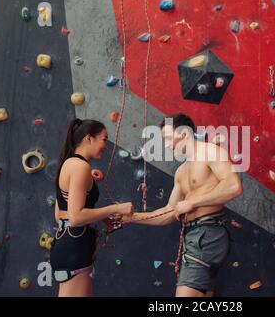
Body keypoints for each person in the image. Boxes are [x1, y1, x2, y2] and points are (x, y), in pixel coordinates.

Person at [132, 113, 243, 297]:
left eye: (168, 138)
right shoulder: (180, 172)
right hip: (196, 237)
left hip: (207, 235)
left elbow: (234, 186)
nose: (167, 145)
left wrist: (192, 202)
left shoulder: (210, 151)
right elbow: (169, 211)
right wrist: (132, 218)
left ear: (184, 134)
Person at [50, 118, 133, 297]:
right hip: (75, 247)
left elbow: (60, 215)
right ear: (89, 138)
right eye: (104, 139)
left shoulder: (68, 164)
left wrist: (101, 217)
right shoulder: (80, 167)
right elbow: (76, 217)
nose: (106, 145)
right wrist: (115, 209)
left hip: (66, 245)